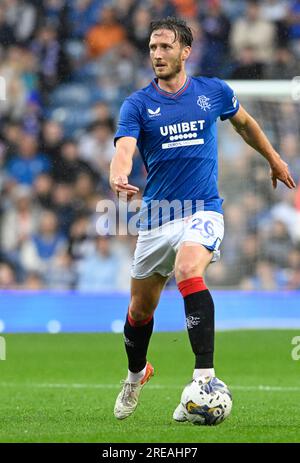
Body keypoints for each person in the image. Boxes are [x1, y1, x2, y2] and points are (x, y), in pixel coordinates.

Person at [109, 16, 295, 421]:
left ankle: (204, 378)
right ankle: (136, 373)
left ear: (185, 51)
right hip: (158, 216)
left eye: (166, 47)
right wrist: (118, 173)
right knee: (140, 312)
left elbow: (245, 123)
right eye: (153, 48)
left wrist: (275, 159)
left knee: (188, 269)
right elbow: (124, 147)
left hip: (203, 208)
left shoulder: (213, 91)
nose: (158, 54)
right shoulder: (138, 104)